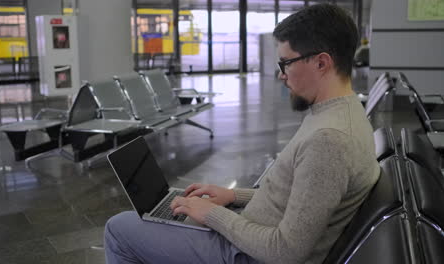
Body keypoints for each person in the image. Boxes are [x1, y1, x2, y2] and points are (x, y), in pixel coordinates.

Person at [104, 3, 380, 264]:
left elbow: (285, 251)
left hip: (245, 255)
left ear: (321, 63)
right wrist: (233, 197)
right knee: (170, 214)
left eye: (286, 63)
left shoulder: (329, 140)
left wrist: (213, 215)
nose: (281, 75)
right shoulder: (344, 113)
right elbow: (297, 198)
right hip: (250, 232)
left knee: (119, 228)